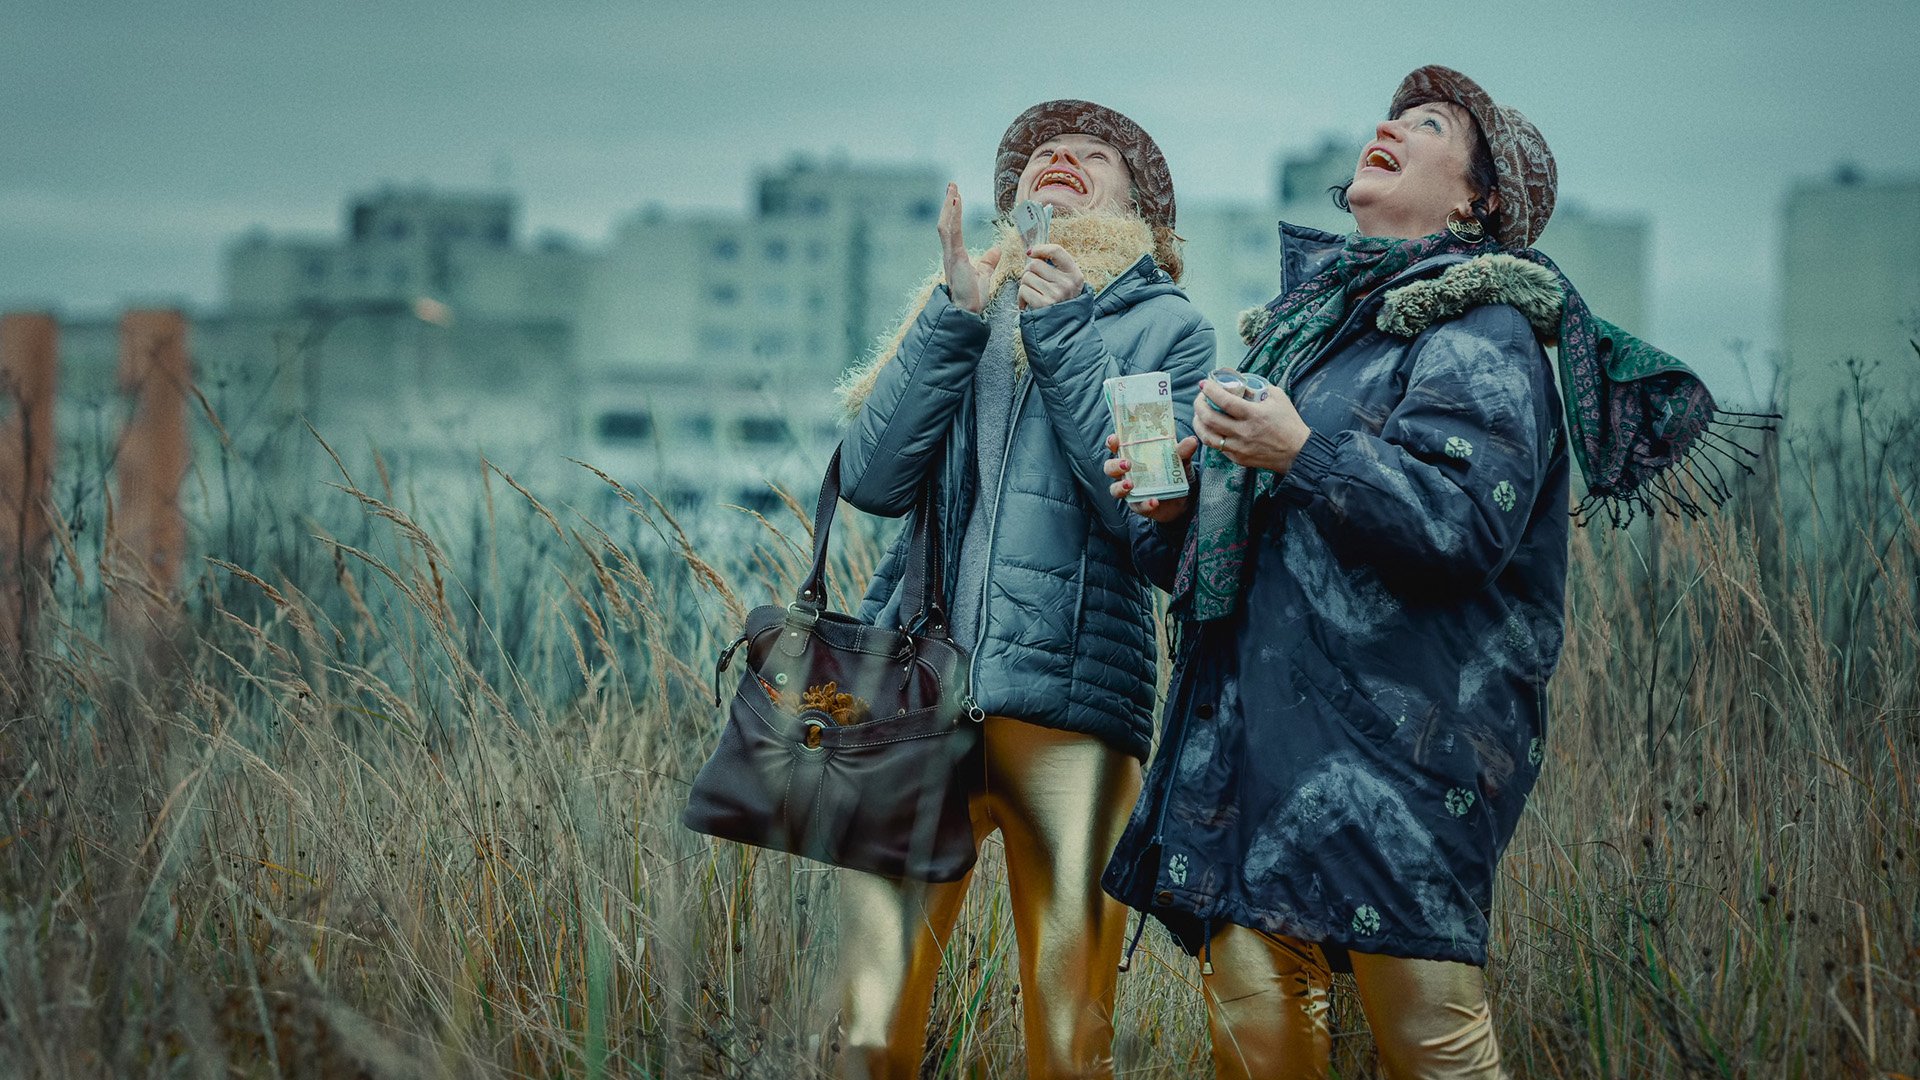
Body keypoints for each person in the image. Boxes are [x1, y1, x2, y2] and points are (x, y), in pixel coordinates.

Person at [1101, 66, 1735, 1079]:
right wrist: (1177, 507)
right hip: (1259, 760)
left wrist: (1298, 449)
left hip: (1399, 766)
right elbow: (1256, 559)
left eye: (1430, 124)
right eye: (1391, 116)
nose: (1388, 129)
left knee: (1433, 1049)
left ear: (1480, 200)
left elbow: (1457, 528)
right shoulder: (1315, 338)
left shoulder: (1481, 331)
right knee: (1255, 1048)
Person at [831, 100, 1215, 1079]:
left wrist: (1071, 333)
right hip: (924, 705)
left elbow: (1148, 527)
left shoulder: (1164, 326)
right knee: (871, 1016)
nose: (1062, 159)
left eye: (1095, 155)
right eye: (1046, 152)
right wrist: (950, 324)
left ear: (1143, 205)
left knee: (1069, 1021)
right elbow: (871, 482)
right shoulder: (963, 302)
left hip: (1075, 715)